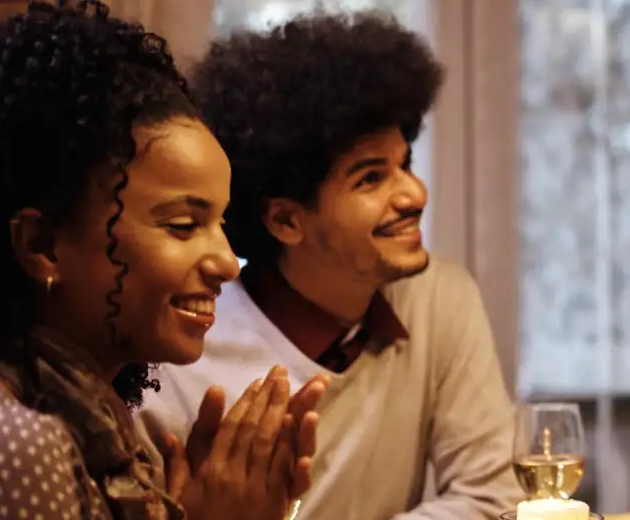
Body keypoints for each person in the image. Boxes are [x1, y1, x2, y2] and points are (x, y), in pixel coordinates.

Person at [0, 2, 323, 519]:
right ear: (42, 245)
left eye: (220, 224)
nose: (225, 261)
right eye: (183, 225)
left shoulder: (94, 429)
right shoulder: (1, 443)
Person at [135, 11, 521, 519]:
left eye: (404, 164)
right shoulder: (178, 359)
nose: (414, 194)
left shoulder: (440, 299)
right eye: (370, 178)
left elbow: (491, 498)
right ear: (285, 220)